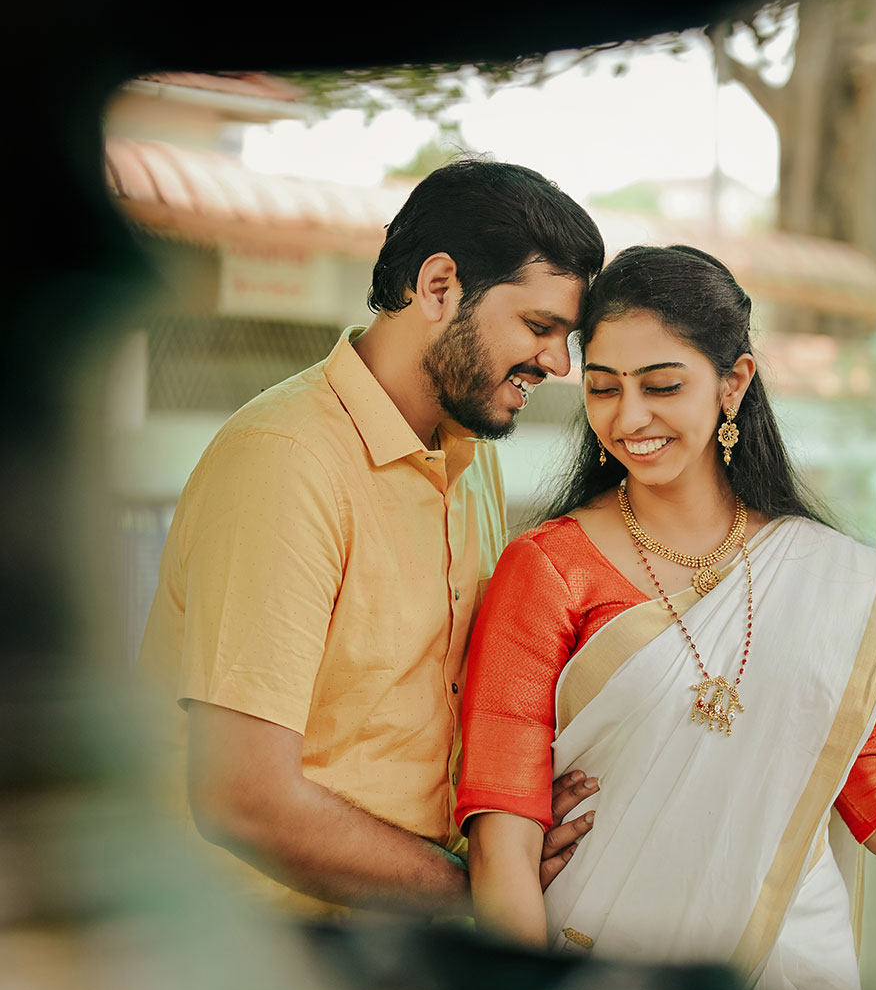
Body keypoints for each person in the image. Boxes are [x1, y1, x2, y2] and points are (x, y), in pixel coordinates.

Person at [456, 245, 876, 990]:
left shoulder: (825, 583)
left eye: (662, 386)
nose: (629, 418)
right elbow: (503, 846)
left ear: (734, 382)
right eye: (603, 387)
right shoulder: (550, 569)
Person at [138, 158, 605, 918]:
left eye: (567, 336)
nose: (557, 363)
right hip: (277, 946)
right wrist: (479, 894)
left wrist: (507, 845)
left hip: (407, 934)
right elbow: (242, 799)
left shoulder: (469, 456)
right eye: (539, 326)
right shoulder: (286, 462)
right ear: (439, 286)